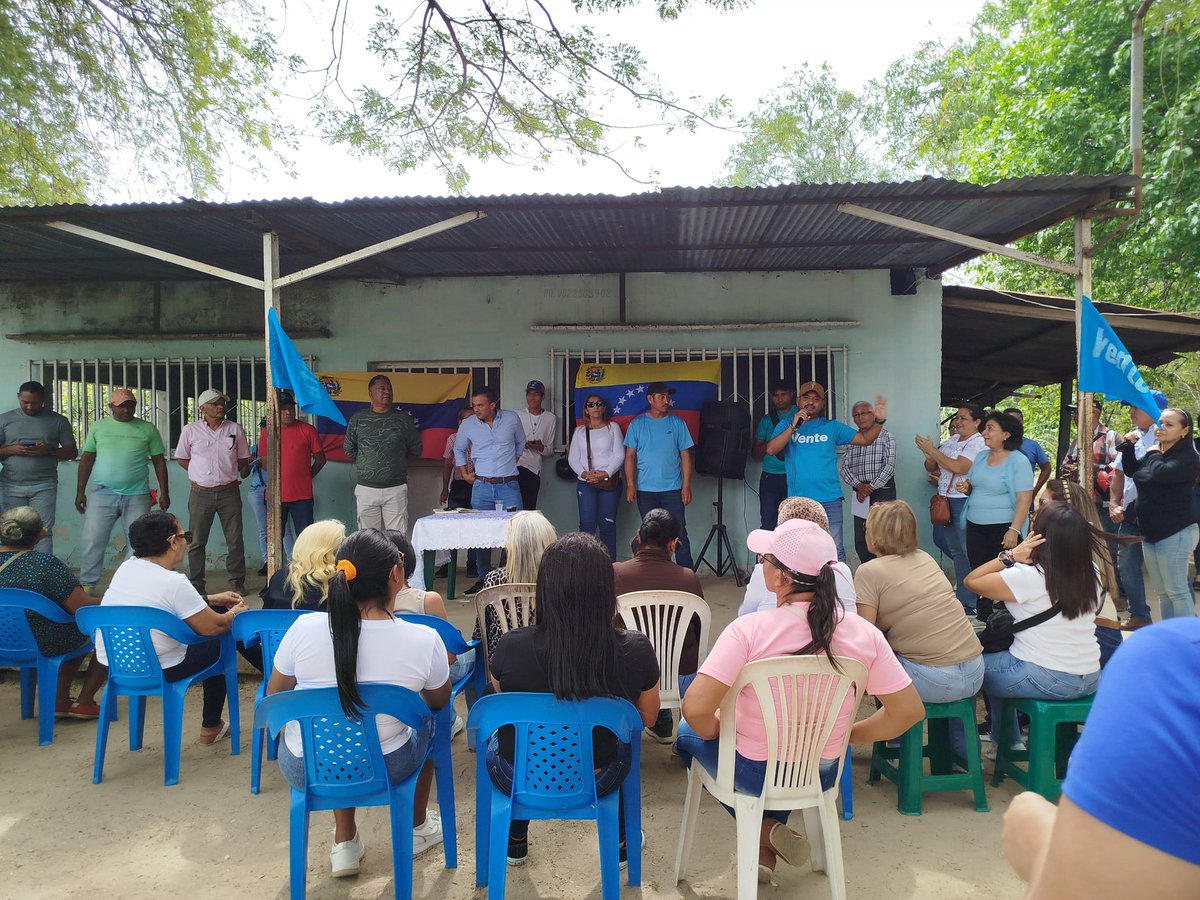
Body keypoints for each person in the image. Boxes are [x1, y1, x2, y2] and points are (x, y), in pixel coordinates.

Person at [678, 518, 923, 880]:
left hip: (753, 772)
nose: (761, 564)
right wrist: (847, 736)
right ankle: (766, 847)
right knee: (783, 755)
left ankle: (764, 832)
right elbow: (908, 711)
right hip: (821, 771)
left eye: (765, 559)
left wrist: (717, 730)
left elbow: (695, 708)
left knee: (686, 733)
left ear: (780, 578)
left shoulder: (748, 631)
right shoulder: (863, 634)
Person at [267, 528, 450, 878]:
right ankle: (418, 826)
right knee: (430, 723)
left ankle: (345, 841)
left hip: (306, 766)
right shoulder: (424, 639)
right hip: (388, 763)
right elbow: (439, 701)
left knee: (337, 732)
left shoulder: (303, 629)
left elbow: (275, 696)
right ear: (396, 575)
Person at [488, 532, 660, 867]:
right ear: (607, 591)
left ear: (544, 590)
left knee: (513, 738)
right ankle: (621, 842)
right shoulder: (635, 649)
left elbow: (500, 695)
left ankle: (515, 837)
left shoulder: (511, 645)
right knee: (621, 744)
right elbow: (648, 718)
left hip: (519, 775)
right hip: (600, 775)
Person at [1001, 620, 1200, 898]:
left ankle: (999, 736)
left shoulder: (1170, 662)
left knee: (987, 671)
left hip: (1050, 675)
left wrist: (1042, 844)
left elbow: (1076, 889)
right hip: (1087, 675)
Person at [95, 511, 248, 744]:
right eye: (185, 536)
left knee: (216, 613)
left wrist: (210, 599)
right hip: (162, 668)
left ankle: (274, 674)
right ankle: (212, 724)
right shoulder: (174, 582)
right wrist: (236, 613)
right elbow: (214, 627)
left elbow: (158, 600)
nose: (186, 542)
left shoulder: (126, 568)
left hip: (116, 666)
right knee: (223, 637)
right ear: (172, 542)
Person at [964, 502, 1103, 750]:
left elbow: (971, 581)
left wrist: (1010, 556)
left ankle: (989, 747)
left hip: (1046, 675)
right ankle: (1008, 743)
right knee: (1000, 663)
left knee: (968, 669)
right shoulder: (1092, 571)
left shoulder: (1029, 576)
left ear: (1039, 536)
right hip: (1089, 675)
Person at [854, 501, 984, 703]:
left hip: (936, 679)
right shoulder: (925, 557)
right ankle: (955, 725)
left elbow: (867, 636)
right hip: (975, 670)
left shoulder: (868, 571)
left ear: (874, 535)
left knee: (878, 666)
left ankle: (895, 724)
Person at [762, 381, 889, 562]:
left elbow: (865, 439)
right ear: (798, 401)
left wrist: (879, 421)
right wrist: (793, 427)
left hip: (830, 499)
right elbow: (771, 449)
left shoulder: (832, 427)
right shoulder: (786, 425)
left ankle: (837, 581)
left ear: (822, 404)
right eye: (806, 397)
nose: (810, 402)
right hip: (799, 501)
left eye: (816, 399)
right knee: (798, 550)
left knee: (834, 550)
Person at [613, 508, 708, 743]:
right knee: (678, 652)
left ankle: (653, 726)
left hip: (630, 674)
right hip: (679, 675)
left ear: (638, 536)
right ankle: (681, 733)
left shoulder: (615, 573)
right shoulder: (688, 578)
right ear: (673, 544)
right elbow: (698, 630)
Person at [0, 506, 104, 718]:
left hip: (3, 642)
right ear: (41, 533)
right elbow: (80, 606)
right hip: (41, 642)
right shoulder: (45, 564)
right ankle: (84, 701)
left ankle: (60, 699)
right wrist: (112, 601)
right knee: (97, 631)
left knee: (68, 627)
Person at [75, 389, 170, 593]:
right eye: (121, 406)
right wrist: (80, 491)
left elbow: (159, 462)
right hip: (102, 492)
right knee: (93, 538)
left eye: (130, 405)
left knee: (137, 541)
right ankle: (88, 584)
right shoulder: (99, 427)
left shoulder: (147, 429)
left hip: (137, 493)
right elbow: (87, 459)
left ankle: (128, 585)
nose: (126, 410)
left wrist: (165, 492)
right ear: (111, 407)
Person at [1118, 407, 1199, 620]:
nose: (1161, 427)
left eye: (1169, 424)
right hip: (1150, 532)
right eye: (1160, 422)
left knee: (1177, 591)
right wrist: (1128, 448)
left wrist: (1153, 452)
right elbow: (1133, 471)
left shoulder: (1188, 457)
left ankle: (1186, 637)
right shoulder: (1158, 452)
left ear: (1184, 431)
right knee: (1163, 592)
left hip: (1175, 532)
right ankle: (1168, 634)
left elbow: (1162, 473)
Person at [958, 410, 1034, 620]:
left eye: (990, 429)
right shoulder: (981, 456)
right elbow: (974, 484)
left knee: (1004, 572)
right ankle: (984, 616)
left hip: (1003, 526)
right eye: (985, 429)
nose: (984, 433)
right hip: (975, 523)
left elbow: (1024, 499)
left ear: (1006, 434)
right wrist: (966, 487)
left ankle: (1006, 618)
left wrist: (1014, 530)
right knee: (979, 569)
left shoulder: (1018, 461)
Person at [174, 388, 251, 595]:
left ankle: (237, 581)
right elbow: (182, 458)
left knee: (235, 539)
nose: (220, 407)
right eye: (215, 404)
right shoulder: (190, 430)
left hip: (229, 493)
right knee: (197, 541)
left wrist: (227, 473)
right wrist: (200, 474)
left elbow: (243, 458)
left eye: (222, 403)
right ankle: (197, 584)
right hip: (200, 494)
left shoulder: (235, 429)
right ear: (202, 408)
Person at [454, 386, 526, 594]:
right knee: (481, 534)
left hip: (509, 485)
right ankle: (483, 579)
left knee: (515, 533)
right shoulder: (468, 424)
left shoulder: (511, 419)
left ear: (493, 405)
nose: (476, 409)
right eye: (474, 405)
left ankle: (512, 576)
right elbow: (458, 448)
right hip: (482, 486)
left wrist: (510, 462)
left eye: (480, 405)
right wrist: (465, 473)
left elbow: (520, 442)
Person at [916, 403, 986, 613]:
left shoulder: (978, 442)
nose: (958, 421)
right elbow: (931, 466)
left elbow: (959, 467)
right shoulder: (953, 440)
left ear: (977, 422)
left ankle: (978, 599)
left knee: (967, 550)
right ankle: (965, 599)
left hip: (963, 500)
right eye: (957, 417)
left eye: (964, 418)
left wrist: (933, 451)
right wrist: (929, 455)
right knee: (956, 551)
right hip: (946, 498)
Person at [737, 496, 857, 616]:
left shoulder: (764, 571)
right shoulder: (842, 571)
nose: (763, 562)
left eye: (764, 559)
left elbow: (744, 615)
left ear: (779, 577)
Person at [1108, 392, 1168, 628]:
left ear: (1154, 410)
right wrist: (1114, 502)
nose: (1131, 412)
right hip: (1132, 513)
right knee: (1127, 566)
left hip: (1161, 515)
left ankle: (1181, 624)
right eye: (1130, 407)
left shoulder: (1167, 436)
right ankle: (1139, 615)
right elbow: (1119, 473)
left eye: (1136, 407)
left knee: (1168, 571)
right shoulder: (1133, 436)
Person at [623, 381, 696, 569]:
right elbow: (630, 456)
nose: (666, 401)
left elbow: (685, 455)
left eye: (667, 397)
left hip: (673, 489)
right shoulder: (637, 424)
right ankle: (651, 572)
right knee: (649, 534)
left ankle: (686, 574)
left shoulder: (677, 423)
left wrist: (686, 485)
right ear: (650, 399)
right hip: (645, 490)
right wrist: (630, 484)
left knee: (679, 532)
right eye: (661, 397)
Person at [0, 380, 77, 554]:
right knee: (11, 530)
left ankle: (42, 567)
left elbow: (71, 452)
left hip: (44, 485)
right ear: (18, 397)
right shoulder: (4, 420)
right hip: (10, 485)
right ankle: (14, 567)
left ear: (43, 399)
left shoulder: (58, 421)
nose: (29, 406)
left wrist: (48, 450)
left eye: (34, 403)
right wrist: (13, 449)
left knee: (43, 531)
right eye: (25, 402)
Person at [472, 510, 557, 663]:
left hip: (503, 668)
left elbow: (480, 634)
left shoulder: (494, 580)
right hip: (554, 667)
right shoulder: (560, 579)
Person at [1061, 397, 1124, 603]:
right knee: (1084, 546)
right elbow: (1066, 464)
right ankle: (1092, 591)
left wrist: (1087, 468)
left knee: (1108, 549)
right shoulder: (1077, 440)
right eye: (1074, 412)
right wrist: (1068, 469)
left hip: (1103, 503)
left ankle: (1115, 595)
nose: (1074, 416)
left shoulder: (1111, 437)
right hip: (1080, 502)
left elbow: (1118, 468)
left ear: (1093, 413)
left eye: (1078, 411)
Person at [343, 374, 422, 535]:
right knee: (368, 537)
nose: (387, 392)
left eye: (389, 388)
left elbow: (415, 449)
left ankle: (396, 555)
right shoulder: (358, 419)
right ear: (370, 393)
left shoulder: (404, 419)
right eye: (382, 388)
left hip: (396, 488)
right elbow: (349, 448)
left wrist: (394, 461)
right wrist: (369, 462)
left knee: (397, 536)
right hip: (366, 488)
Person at [256, 391, 325, 547]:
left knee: (306, 539)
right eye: (283, 409)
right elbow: (266, 463)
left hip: (302, 496)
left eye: (291, 408)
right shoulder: (268, 432)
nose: (288, 412)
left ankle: (304, 564)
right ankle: (275, 564)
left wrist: (306, 476)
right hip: (275, 495)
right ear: (275, 411)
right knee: (274, 539)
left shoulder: (307, 430)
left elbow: (321, 459)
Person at [838, 399, 897, 564]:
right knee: (862, 539)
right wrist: (859, 486)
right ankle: (868, 571)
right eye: (856, 415)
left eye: (864, 413)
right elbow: (843, 467)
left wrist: (870, 487)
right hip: (860, 493)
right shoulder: (853, 440)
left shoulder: (886, 436)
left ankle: (885, 575)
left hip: (882, 490)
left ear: (873, 415)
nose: (860, 417)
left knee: (883, 536)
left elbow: (889, 465)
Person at [567, 393, 624, 560]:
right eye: (591, 405)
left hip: (609, 481)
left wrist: (605, 473)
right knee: (587, 525)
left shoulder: (613, 428)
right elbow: (573, 458)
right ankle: (586, 565)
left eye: (599, 403)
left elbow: (619, 455)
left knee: (607, 524)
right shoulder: (579, 431)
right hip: (586, 482)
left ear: (604, 408)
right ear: (586, 410)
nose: (595, 407)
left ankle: (609, 566)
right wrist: (585, 474)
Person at [259, 519, 346, 611]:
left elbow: (266, 613)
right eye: (343, 543)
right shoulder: (343, 580)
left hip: (284, 620)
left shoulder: (279, 576)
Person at [246, 419, 295, 575]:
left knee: (283, 527)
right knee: (263, 529)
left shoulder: (282, 446)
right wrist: (249, 462)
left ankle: (293, 562)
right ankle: (268, 562)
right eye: (263, 429)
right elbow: (243, 473)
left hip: (278, 489)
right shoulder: (254, 448)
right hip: (257, 490)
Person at [750, 380, 798, 531]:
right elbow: (756, 452)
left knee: (796, 523)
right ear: (771, 397)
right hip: (771, 476)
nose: (780, 399)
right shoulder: (766, 420)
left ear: (792, 394)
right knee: (768, 523)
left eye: (784, 394)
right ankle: (768, 548)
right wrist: (773, 443)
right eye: (776, 395)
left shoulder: (801, 415)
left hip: (797, 475)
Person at [515, 380, 557, 511]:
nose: (532, 398)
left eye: (536, 394)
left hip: (533, 469)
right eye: (529, 394)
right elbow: (507, 441)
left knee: (529, 509)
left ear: (543, 396)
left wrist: (539, 447)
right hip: (514, 466)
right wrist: (522, 444)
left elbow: (549, 450)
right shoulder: (517, 415)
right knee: (513, 508)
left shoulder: (550, 418)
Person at [1004, 407, 1052, 498]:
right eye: (1008, 421)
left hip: (1024, 497)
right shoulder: (995, 445)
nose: (1011, 424)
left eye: (1015, 421)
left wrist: (1035, 491)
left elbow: (1047, 468)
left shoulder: (1033, 445)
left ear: (1022, 423)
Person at [439, 405, 474, 510]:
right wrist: (445, 488)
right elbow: (448, 464)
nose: (471, 422)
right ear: (460, 422)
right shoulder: (453, 438)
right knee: (456, 514)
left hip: (478, 482)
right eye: (467, 419)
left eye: (474, 419)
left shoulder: (482, 438)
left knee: (478, 514)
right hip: (460, 484)